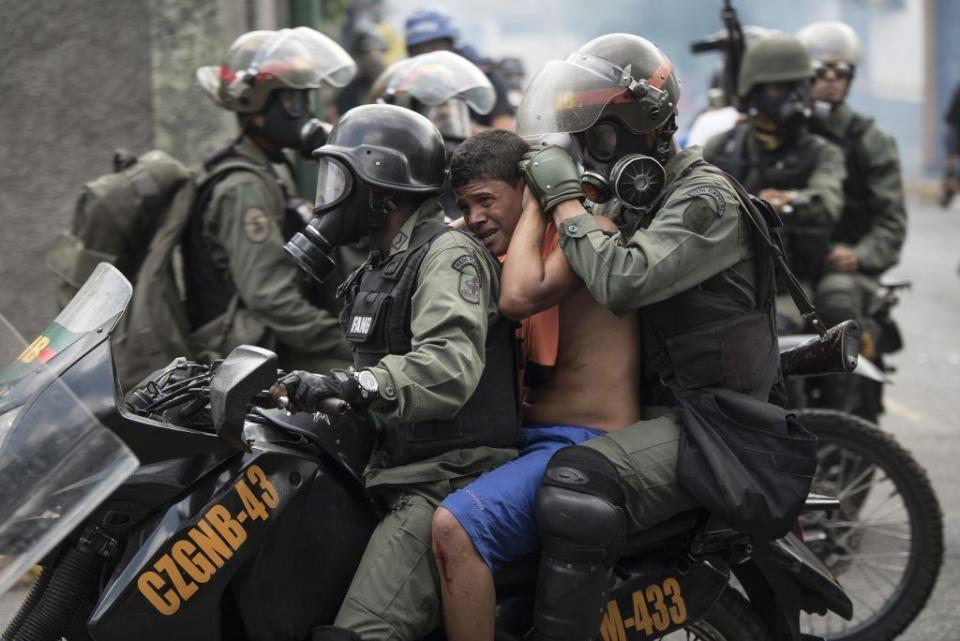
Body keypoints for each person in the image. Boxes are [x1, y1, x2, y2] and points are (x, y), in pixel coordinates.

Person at [515, 33, 792, 641]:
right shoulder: (643, 194)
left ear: (646, 121)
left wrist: (564, 197)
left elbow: (623, 281)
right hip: (670, 410)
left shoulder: (704, 200)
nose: (589, 148)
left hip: (716, 423)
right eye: (582, 135)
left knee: (574, 484)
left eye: (601, 133)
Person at [272, 104, 521, 641]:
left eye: (341, 179)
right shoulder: (379, 266)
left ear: (382, 192)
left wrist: (352, 385)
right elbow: (377, 366)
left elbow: (447, 366)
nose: (329, 195)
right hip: (390, 469)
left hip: (446, 478)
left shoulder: (447, 257)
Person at [429, 130, 641, 641]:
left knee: (453, 529)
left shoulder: (590, 235)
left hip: (586, 445)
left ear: (527, 191)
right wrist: (477, 219)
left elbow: (518, 298)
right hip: (528, 443)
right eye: (464, 204)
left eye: (485, 200)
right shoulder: (511, 250)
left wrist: (538, 205)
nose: (475, 217)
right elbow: (441, 241)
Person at [191, 28, 356, 372]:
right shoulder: (244, 187)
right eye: (293, 101)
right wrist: (347, 341)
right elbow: (271, 300)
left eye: (306, 100)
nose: (303, 113)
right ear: (256, 107)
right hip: (254, 359)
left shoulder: (268, 170)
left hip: (273, 349)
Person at [797, 21, 908, 410]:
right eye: (820, 72)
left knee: (838, 303)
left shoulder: (870, 139)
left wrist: (859, 255)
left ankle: (842, 423)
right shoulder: (785, 130)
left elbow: (891, 222)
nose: (829, 80)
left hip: (846, 266)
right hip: (791, 262)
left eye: (839, 72)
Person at [704, 34, 846, 286]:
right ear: (753, 93)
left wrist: (789, 201)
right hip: (732, 280)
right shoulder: (723, 147)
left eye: (799, 86)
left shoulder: (823, 152)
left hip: (793, 284)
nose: (793, 97)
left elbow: (827, 200)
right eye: (779, 88)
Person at [403, 8, 515, 130]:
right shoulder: (408, 86)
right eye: (419, 50)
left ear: (452, 45)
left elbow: (506, 135)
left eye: (436, 46)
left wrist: (461, 126)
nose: (430, 55)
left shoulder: (486, 76)